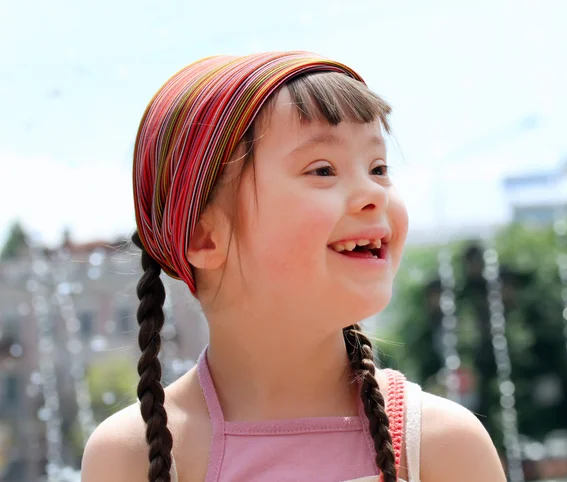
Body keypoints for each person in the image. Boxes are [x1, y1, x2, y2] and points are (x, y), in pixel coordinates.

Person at [81, 51, 506, 482]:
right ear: (203, 237)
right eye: (322, 170)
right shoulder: (132, 454)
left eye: (378, 167)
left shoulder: (439, 444)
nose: (373, 193)